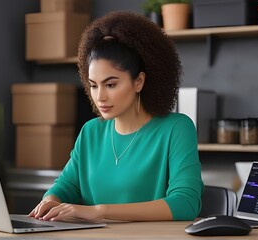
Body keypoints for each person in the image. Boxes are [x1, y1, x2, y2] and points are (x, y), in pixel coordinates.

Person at [29, 11, 204, 222]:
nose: (100, 96)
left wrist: (99, 211)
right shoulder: (91, 131)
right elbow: (66, 186)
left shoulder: (176, 128)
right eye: (93, 85)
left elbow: (185, 203)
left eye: (111, 84)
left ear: (138, 81)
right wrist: (50, 201)